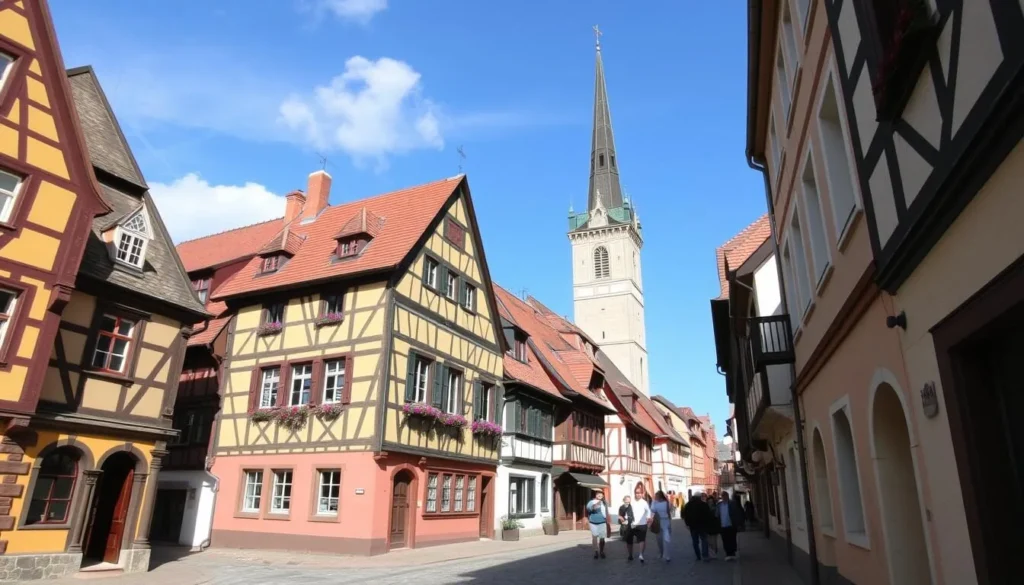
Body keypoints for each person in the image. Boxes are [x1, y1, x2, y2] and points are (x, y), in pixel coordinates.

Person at [683, 493, 711, 562]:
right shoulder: (704, 504)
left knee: (695, 542)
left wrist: (687, 524)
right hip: (702, 526)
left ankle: (698, 556)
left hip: (693, 526)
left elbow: (685, 515)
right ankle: (705, 555)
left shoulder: (688, 505)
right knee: (704, 540)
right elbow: (708, 515)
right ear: (699, 497)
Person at [717, 490, 744, 560]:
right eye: (723, 496)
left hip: (731, 525)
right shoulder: (719, 505)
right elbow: (717, 515)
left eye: (725, 496)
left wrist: (738, 524)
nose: (724, 497)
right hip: (723, 525)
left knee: (732, 539)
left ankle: (732, 552)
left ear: (727, 496)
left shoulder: (732, 504)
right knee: (725, 540)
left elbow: (737, 513)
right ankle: (728, 553)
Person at [629, 485, 652, 563]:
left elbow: (648, 511)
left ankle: (641, 554)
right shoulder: (631, 502)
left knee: (642, 540)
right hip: (632, 524)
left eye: (639, 493)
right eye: (636, 493)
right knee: (629, 540)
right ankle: (630, 554)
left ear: (642, 494)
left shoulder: (644, 502)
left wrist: (648, 518)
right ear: (634, 493)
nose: (638, 494)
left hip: (642, 524)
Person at [650, 490, 674, 562]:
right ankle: (665, 555)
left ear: (659, 496)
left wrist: (653, 502)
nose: (655, 497)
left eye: (656, 496)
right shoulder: (667, 502)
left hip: (660, 521)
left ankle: (664, 554)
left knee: (662, 539)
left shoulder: (655, 503)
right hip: (664, 521)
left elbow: (652, 510)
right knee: (664, 539)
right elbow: (670, 511)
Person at [585, 489, 609, 559]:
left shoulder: (604, 502)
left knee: (602, 538)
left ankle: (601, 551)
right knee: (594, 537)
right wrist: (597, 504)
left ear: (603, 495)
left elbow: (607, 512)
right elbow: (589, 509)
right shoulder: (591, 502)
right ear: (595, 495)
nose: (600, 495)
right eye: (598, 493)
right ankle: (596, 551)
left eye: (601, 494)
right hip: (593, 522)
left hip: (602, 522)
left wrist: (608, 521)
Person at [618, 495, 636, 561]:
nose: (627, 503)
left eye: (629, 502)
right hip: (627, 526)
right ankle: (630, 554)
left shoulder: (632, 506)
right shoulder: (621, 507)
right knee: (629, 541)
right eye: (626, 501)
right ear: (624, 501)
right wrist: (622, 520)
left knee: (634, 540)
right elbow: (620, 516)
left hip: (633, 524)